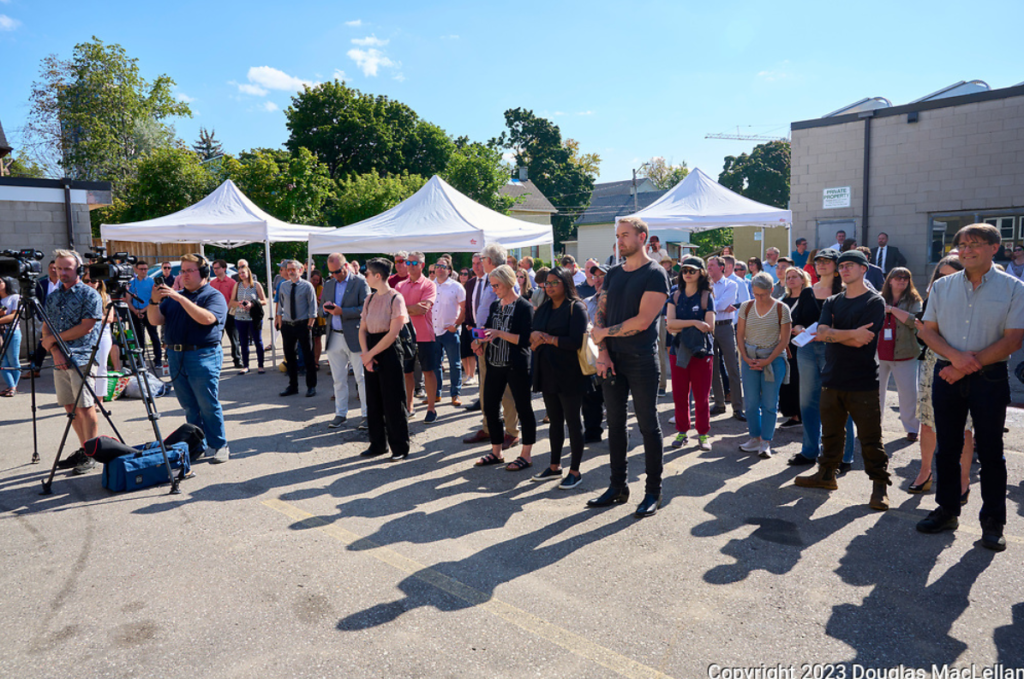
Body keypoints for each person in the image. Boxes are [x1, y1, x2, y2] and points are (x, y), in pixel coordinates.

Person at [915, 224, 1024, 551]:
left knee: (990, 451)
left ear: (995, 248)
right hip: (947, 375)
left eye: (974, 244)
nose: (966, 250)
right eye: (961, 244)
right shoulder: (942, 286)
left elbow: (1014, 339)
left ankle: (993, 521)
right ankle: (947, 509)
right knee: (947, 447)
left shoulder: (1014, 288)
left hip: (988, 379)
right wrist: (955, 360)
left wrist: (963, 366)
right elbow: (927, 331)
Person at [795, 249, 890, 511]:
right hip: (832, 376)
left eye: (851, 265)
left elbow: (864, 339)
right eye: (843, 265)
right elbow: (822, 333)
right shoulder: (833, 301)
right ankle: (826, 475)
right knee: (832, 433)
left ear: (864, 269)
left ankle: (880, 486)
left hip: (862, 380)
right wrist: (846, 333)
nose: (845, 269)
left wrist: (833, 333)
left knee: (870, 438)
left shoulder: (874, 301)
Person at [588, 216, 671, 518]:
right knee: (616, 425)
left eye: (625, 235)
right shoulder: (613, 274)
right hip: (612, 359)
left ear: (642, 237)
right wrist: (603, 352)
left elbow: (643, 322)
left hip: (641, 360)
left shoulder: (656, 274)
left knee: (648, 426)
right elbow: (601, 314)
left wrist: (604, 334)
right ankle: (617, 487)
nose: (620, 241)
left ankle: (653, 492)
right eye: (618, 236)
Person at [149, 254, 230, 462]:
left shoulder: (213, 296)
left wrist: (179, 298)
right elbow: (155, 319)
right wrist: (153, 301)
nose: (184, 275)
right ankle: (198, 444)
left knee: (207, 404)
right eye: (182, 271)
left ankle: (220, 445)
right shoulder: (175, 297)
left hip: (203, 354)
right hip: (177, 355)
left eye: (189, 271)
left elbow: (208, 319)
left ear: (203, 273)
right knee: (189, 406)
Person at [908, 256, 974, 498]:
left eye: (950, 276)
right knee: (927, 423)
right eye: (940, 276)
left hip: (963, 366)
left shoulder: (972, 301)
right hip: (931, 364)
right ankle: (925, 472)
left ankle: (963, 480)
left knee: (964, 429)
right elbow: (923, 335)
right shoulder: (932, 299)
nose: (944, 281)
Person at [787, 249, 856, 468]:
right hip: (807, 350)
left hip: (835, 351)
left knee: (839, 403)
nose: (822, 264)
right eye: (819, 261)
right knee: (808, 402)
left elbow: (850, 324)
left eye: (827, 261)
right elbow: (796, 321)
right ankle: (809, 451)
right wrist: (799, 329)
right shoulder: (807, 292)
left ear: (837, 267)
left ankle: (845, 456)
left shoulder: (847, 292)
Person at [528, 266, 589, 488]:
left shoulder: (576, 307)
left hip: (570, 373)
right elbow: (532, 334)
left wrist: (547, 338)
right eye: (548, 282)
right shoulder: (543, 307)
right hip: (547, 372)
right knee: (554, 421)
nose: (550, 286)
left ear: (566, 283)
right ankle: (554, 466)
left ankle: (575, 470)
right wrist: (538, 337)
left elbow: (575, 341)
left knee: (573, 422)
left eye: (555, 282)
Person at [43, 251, 103, 474]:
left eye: (67, 268)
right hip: (60, 357)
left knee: (85, 406)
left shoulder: (90, 294)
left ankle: (93, 451)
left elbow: (86, 326)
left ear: (78, 269)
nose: (63, 273)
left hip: (83, 356)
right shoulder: (53, 296)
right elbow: (47, 328)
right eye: (59, 268)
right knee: (70, 406)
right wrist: (54, 349)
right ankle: (84, 448)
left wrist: (51, 340)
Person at [472, 264, 536, 471]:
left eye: (496, 285)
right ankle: (496, 452)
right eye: (492, 285)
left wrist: (499, 334)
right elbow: (491, 330)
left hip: (515, 365)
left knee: (523, 408)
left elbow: (526, 340)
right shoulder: (495, 306)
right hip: (495, 364)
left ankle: (526, 455)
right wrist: (480, 342)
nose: (493, 289)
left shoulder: (524, 307)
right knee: (490, 407)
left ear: (508, 283)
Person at [463, 244, 520, 447]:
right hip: (482, 340)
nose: (479, 261)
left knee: (504, 391)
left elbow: (504, 314)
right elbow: (479, 312)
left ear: (490, 260)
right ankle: (488, 427)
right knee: (485, 389)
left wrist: (482, 338)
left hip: (499, 341)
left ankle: (512, 432)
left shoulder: (505, 279)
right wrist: (476, 339)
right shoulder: (482, 280)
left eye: (482, 258)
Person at [359, 258, 411, 460]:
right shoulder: (369, 299)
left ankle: (399, 447)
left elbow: (392, 334)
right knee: (373, 399)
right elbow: (363, 329)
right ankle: (377, 444)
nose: (366, 277)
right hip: (370, 348)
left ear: (377, 276)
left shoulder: (395, 298)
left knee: (393, 400)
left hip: (388, 351)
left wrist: (369, 355)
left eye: (368, 273)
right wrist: (366, 354)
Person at [736, 272, 792, 459]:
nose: (759, 298)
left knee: (769, 403)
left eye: (763, 294)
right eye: (756, 294)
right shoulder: (746, 306)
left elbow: (784, 340)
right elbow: (740, 334)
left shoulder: (781, 309)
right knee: (751, 403)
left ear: (771, 290)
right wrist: (745, 357)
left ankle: (766, 441)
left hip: (773, 359)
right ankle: (754, 437)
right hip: (750, 358)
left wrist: (767, 360)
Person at [665, 256, 715, 451]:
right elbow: (670, 324)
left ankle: (703, 434)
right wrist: (694, 322)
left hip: (702, 352)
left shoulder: (706, 296)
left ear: (701, 273)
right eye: (684, 270)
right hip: (678, 351)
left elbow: (709, 326)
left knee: (702, 396)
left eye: (691, 270)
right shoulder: (675, 295)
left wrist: (682, 324)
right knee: (679, 395)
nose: (687, 273)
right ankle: (682, 431)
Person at [321, 253, 369, 428]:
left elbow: (365, 308)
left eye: (338, 271)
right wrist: (326, 310)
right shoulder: (329, 284)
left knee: (361, 378)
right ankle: (340, 413)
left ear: (346, 266)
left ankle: (367, 414)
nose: (335, 275)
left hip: (355, 336)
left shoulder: (360, 282)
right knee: (338, 379)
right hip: (334, 335)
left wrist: (343, 312)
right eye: (331, 272)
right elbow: (321, 308)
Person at [877, 268, 922, 441]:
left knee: (908, 393)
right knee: (876, 393)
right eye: (898, 278)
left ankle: (911, 428)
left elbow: (915, 321)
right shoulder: (879, 298)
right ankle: (874, 426)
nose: (902, 281)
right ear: (890, 280)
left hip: (905, 353)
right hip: (879, 353)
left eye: (906, 278)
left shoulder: (914, 300)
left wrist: (892, 310)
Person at [396, 252, 439, 423]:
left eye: (415, 262)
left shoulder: (429, 285)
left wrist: (404, 308)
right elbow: (395, 309)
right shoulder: (399, 285)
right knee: (407, 372)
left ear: (422, 265)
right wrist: (411, 308)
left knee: (428, 371)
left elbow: (424, 309)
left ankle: (431, 408)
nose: (412, 265)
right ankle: (409, 406)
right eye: (409, 262)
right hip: (405, 336)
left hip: (424, 335)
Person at [706, 256, 745, 420]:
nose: (709, 268)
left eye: (712, 265)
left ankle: (737, 407)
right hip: (710, 328)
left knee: (732, 367)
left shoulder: (732, 284)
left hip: (725, 326)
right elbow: (719, 305)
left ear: (722, 267)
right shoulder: (705, 285)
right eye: (708, 265)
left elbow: (718, 305)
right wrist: (715, 304)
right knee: (712, 367)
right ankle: (719, 404)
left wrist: (709, 304)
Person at [275, 260, 318, 398]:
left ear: (301, 270)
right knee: (290, 357)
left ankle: (311, 386)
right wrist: (280, 323)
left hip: (303, 324)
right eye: (288, 269)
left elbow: (313, 308)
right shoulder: (284, 286)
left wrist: (310, 325)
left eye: (293, 269)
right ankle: (293, 386)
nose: (290, 272)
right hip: (287, 325)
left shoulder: (307, 286)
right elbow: (280, 306)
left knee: (307, 356)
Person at [777, 267, 810, 428]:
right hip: (785, 344)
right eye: (788, 277)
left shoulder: (809, 297)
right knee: (787, 379)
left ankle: (801, 415)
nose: (790, 280)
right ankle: (792, 414)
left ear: (803, 279)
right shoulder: (783, 299)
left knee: (799, 379)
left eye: (794, 277)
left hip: (802, 344)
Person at [432, 255, 465, 407]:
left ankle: (455, 394)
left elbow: (465, 309)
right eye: (437, 266)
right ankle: (436, 394)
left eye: (443, 266)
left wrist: (456, 326)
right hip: (433, 330)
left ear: (449, 270)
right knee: (435, 365)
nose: (439, 269)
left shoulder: (456, 286)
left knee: (455, 364)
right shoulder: (429, 285)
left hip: (450, 331)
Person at [581, 264, 607, 443]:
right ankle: (592, 432)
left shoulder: (617, 301)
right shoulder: (586, 302)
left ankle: (619, 435)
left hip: (612, 354)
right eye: (595, 276)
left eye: (602, 276)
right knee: (590, 396)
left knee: (613, 399)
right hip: (591, 356)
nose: (597, 279)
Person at [230, 263, 267, 375]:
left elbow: (264, 300)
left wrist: (252, 304)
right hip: (240, 317)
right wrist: (239, 304)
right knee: (243, 341)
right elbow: (231, 301)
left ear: (248, 273)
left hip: (253, 318)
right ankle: (246, 365)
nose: (241, 275)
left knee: (258, 341)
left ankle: (260, 365)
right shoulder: (237, 285)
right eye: (239, 273)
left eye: (243, 272)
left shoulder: (256, 285)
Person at [81, 275, 114, 401]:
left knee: (101, 366)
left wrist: (91, 320)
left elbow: (109, 318)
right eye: (86, 281)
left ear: (99, 283)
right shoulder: (80, 296)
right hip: (84, 334)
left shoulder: (106, 297)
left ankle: (99, 398)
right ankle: (86, 396)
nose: (90, 283)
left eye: (93, 280)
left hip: (102, 334)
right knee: (84, 367)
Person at [128, 260, 162, 368]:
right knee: (139, 337)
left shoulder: (152, 282)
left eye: (145, 269)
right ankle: (141, 360)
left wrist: (143, 310)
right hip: (135, 312)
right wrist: (135, 310)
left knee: (154, 336)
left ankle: (158, 360)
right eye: (141, 269)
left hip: (149, 311)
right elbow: (128, 299)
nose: (143, 271)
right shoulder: (132, 283)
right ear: (136, 270)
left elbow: (155, 299)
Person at [26, 260, 58, 376]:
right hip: (46, 319)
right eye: (51, 268)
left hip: (62, 318)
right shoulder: (42, 283)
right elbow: (37, 300)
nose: (53, 270)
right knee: (42, 343)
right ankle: (36, 369)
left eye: (55, 268)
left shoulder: (64, 283)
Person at [210, 260, 242, 369]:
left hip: (229, 314)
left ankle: (237, 359)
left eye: (217, 268)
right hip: (216, 315)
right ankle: (215, 360)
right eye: (214, 268)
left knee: (234, 338)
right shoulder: (212, 283)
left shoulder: (232, 283)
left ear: (224, 268)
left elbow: (234, 299)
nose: (215, 270)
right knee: (216, 339)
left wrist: (226, 309)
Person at [0, 276, 22, 397]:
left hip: (12, 331)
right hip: (0, 333)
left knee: (13, 359)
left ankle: (13, 386)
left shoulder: (15, 297)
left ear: (6, 283)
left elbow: (14, 316)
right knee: (3, 360)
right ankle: (11, 386)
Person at [310, 269, 326, 367]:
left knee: (317, 339)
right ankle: (309, 360)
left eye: (317, 280)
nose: (315, 282)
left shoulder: (321, 289)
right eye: (314, 280)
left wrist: (315, 300)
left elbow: (322, 303)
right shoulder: (307, 287)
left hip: (318, 318)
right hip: (308, 317)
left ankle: (316, 361)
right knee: (308, 340)